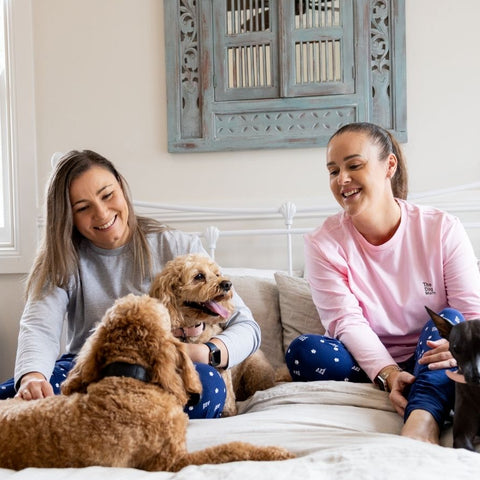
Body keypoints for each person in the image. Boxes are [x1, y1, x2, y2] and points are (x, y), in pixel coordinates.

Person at [0, 149, 261, 418]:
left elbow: (246, 326)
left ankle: (109, 418)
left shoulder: (179, 246)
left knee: (205, 385)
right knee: (14, 396)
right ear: (68, 216)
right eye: (82, 207)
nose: (101, 214)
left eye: (107, 195)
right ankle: (115, 415)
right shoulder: (63, 259)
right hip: (91, 369)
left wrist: (206, 352)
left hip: (165, 367)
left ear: (122, 187)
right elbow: (39, 328)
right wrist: (33, 377)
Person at [286, 122, 480, 444]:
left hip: (434, 349)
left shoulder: (442, 229)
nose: (342, 179)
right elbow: (345, 321)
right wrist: (389, 374)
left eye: (354, 165)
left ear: (389, 165)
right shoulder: (323, 243)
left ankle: (422, 420)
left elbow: (471, 313)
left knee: (451, 322)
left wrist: (453, 347)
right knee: (304, 351)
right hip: (367, 364)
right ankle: (425, 387)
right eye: (333, 171)